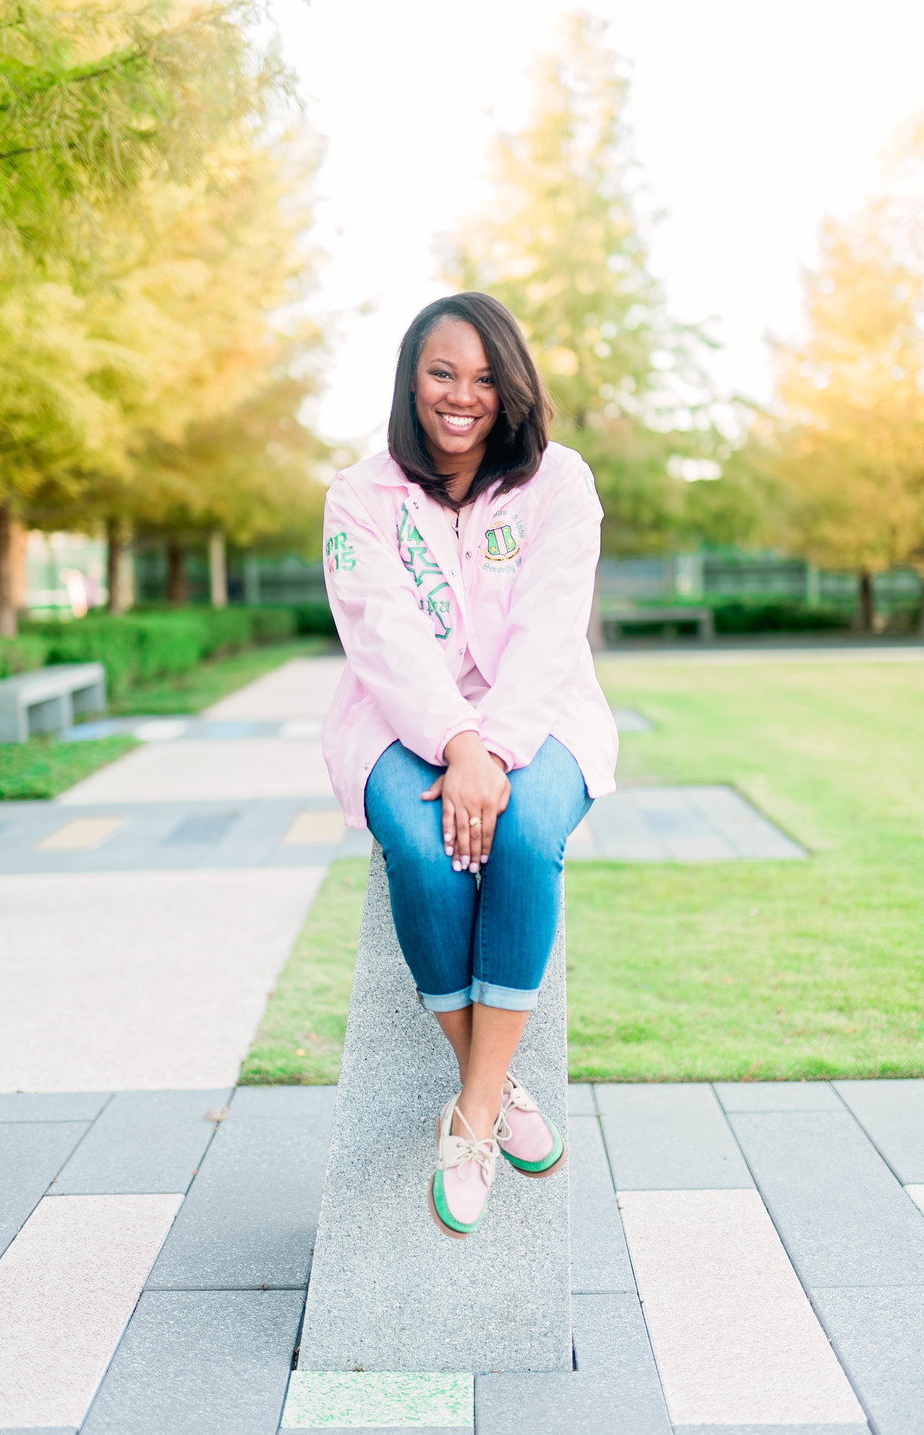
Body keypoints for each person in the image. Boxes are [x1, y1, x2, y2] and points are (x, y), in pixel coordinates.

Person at [322, 291, 618, 1238]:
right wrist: (454, 743)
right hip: (397, 724)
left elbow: (548, 629)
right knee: (421, 843)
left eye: (486, 377)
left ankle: (475, 1116)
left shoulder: (559, 483)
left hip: (542, 714)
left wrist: (494, 751)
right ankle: (492, 1088)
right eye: (443, 373)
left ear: (514, 387)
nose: (463, 396)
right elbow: (382, 636)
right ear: (412, 379)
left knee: (527, 833)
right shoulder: (361, 496)